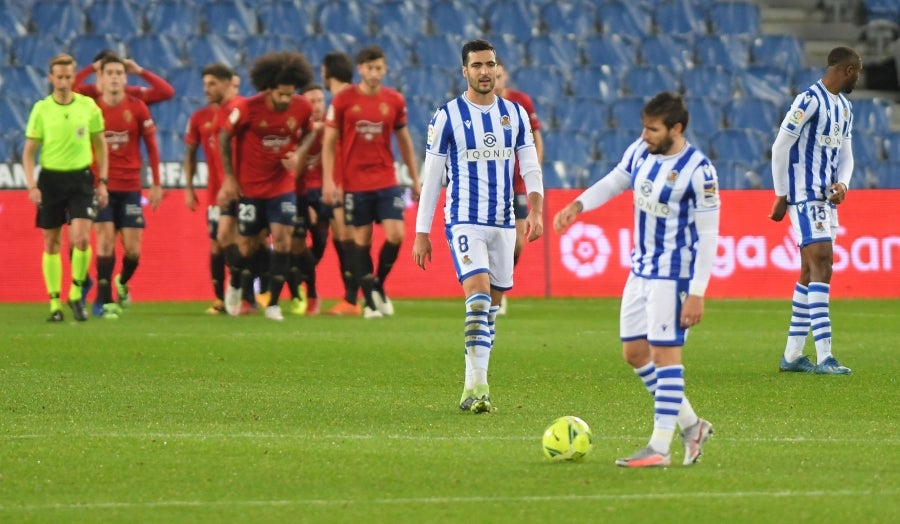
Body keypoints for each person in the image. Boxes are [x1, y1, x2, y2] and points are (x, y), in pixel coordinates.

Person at [553, 92, 719, 468]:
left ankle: (659, 448)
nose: (645, 135)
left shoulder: (699, 170)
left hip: (673, 275)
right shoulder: (642, 150)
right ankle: (692, 426)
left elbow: (709, 236)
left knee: (664, 357)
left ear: (676, 129)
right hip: (640, 269)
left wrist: (697, 293)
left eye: (653, 129)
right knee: (635, 354)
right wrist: (578, 205)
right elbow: (615, 180)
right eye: (643, 127)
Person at [412, 39, 544, 414]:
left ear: (497, 69)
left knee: (492, 309)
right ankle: (480, 387)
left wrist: (534, 210)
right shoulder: (447, 116)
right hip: (463, 220)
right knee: (479, 297)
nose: (485, 71)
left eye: (490, 65)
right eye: (477, 65)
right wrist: (422, 232)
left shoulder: (515, 115)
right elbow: (433, 176)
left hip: (504, 223)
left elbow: (530, 167)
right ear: (464, 71)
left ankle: (473, 384)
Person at [769, 46, 861, 375]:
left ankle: (793, 355)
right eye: (858, 73)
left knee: (810, 272)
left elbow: (846, 155)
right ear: (848, 70)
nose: (858, 79)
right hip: (804, 196)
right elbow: (780, 146)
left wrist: (843, 184)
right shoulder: (808, 100)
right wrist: (782, 193)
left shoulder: (845, 108)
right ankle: (825, 357)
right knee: (823, 262)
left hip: (826, 198)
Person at [322, 45, 421, 318]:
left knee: (396, 235)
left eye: (379, 68)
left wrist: (415, 178)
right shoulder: (342, 101)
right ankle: (370, 301)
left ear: (385, 69)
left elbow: (404, 141)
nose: (375, 73)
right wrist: (329, 181)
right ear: (360, 70)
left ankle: (377, 284)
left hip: (386, 179)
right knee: (360, 241)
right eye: (370, 68)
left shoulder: (394, 100)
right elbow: (329, 142)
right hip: (354, 183)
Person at [218, 51, 314, 321]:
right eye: (281, 94)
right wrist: (229, 177)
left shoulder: (302, 107)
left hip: (281, 187)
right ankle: (235, 282)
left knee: (282, 241)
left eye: (290, 94)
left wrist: (298, 155)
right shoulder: (248, 108)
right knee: (246, 246)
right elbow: (225, 137)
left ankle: (272, 303)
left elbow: (311, 131)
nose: (286, 99)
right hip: (250, 189)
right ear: (268, 89)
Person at [22, 53, 108, 322]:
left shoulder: (89, 106)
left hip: (81, 179)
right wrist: (32, 185)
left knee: (81, 239)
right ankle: (54, 303)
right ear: (51, 78)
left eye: (68, 76)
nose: (63, 82)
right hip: (51, 180)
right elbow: (28, 152)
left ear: (74, 77)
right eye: (58, 77)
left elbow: (101, 145)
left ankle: (75, 293)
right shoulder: (41, 109)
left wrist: (102, 181)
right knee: (51, 242)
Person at [87, 54, 162, 318]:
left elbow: (152, 147)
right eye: (110, 73)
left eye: (120, 72)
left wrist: (156, 183)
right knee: (105, 242)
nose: (116, 77)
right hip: (102, 185)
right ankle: (103, 301)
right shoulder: (92, 108)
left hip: (131, 185)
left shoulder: (138, 107)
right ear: (102, 78)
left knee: (133, 250)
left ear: (125, 77)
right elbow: (66, 87)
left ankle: (121, 282)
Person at [184, 63, 241, 315]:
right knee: (218, 243)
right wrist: (188, 187)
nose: (206, 89)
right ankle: (221, 298)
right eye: (205, 84)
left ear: (227, 84)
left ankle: (247, 294)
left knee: (249, 242)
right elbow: (190, 153)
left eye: (212, 84)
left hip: (247, 189)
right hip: (216, 192)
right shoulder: (199, 118)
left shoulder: (239, 111)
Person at [492, 57, 544, 315]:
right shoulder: (479, 106)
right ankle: (489, 287)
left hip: (518, 183)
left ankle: (500, 286)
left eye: (500, 75)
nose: (496, 80)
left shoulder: (521, 102)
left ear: (505, 76)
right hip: (490, 184)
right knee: (491, 238)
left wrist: (535, 172)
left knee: (517, 242)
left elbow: (536, 138)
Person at [317, 51, 360, 317]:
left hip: (347, 182)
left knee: (349, 238)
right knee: (343, 237)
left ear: (326, 72)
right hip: (348, 181)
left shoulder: (342, 101)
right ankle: (356, 295)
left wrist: (334, 182)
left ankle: (354, 298)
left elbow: (338, 147)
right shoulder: (348, 99)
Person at [74, 51, 175, 106]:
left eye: (118, 72)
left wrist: (140, 71)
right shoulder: (84, 93)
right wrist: (90, 68)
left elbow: (167, 92)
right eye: (109, 72)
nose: (114, 76)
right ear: (98, 72)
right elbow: (64, 91)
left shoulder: (132, 95)